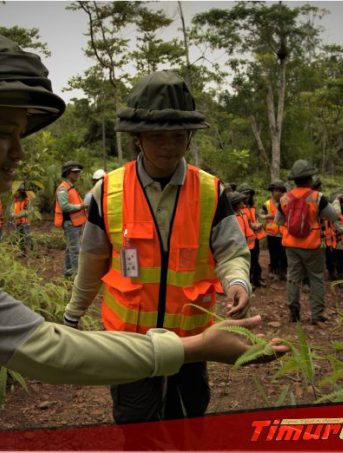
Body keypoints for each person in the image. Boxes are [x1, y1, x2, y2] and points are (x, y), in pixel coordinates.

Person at [0, 32, 288, 451]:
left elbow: (229, 248)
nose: (19, 153)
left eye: (20, 134)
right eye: (3, 134)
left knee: (188, 430)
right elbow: (47, 347)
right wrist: (186, 346)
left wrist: (234, 282)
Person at [63, 71, 253, 426]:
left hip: (192, 340)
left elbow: (231, 252)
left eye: (178, 136)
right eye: (157, 136)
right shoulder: (106, 193)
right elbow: (92, 262)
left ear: (189, 136)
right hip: (129, 342)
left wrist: (238, 283)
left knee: (188, 418)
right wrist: (74, 313)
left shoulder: (211, 191)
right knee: (136, 423)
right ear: (137, 138)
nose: (168, 145)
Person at [275, 159, 339, 325]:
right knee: (316, 277)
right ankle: (317, 315)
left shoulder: (284, 199)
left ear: (294, 180)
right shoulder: (317, 197)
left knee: (293, 278)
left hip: (291, 244)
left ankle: (294, 313)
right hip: (312, 245)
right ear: (310, 178)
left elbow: (278, 222)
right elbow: (333, 216)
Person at [54, 160, 88, 277]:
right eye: (75, 172)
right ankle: (77, 276)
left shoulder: (71, 187)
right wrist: (81, 206)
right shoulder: (63, 188)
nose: (77, 174)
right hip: (70, 224)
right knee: (75, 251)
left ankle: (68, 273)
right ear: (68, 173)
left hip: (75, 223)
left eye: (78, 172)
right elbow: (64, 206)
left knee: (70, 249)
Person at [238, 183, 265, 288]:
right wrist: (252, 225)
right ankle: (248, 281)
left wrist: (258, 224)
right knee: (248, 260)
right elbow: (244, 222)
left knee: (255, 259)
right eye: (245, 194)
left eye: (249, 193)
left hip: (255, 236)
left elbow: (254, 218)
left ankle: (256, 279)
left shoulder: (252, 206)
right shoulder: (239, 207)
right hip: (245, 238)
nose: (247, 196)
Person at [261, 180, 288, 281]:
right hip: (271, 233)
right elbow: (261, 215)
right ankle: (274, 271)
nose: (279, 193)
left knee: (284, 254)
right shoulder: (267, 204)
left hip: (283, 233)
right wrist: (268, 215)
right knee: (273, 253)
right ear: (272, 191)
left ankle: (283, 272)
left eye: (281, 191)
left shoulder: (285, 202)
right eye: (277, 190)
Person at [12, 183, 34, 255]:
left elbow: (30, 211)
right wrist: (12, 214)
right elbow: (12, 210)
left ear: (21, 192)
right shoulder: (15, 201)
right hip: (17, 222)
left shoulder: (27, 200)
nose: (16, 193)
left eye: (17, 191)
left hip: (25, 222)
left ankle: (30, 250)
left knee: (27, 236)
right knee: (19, 237)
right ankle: (22, 251)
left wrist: (20, 214)